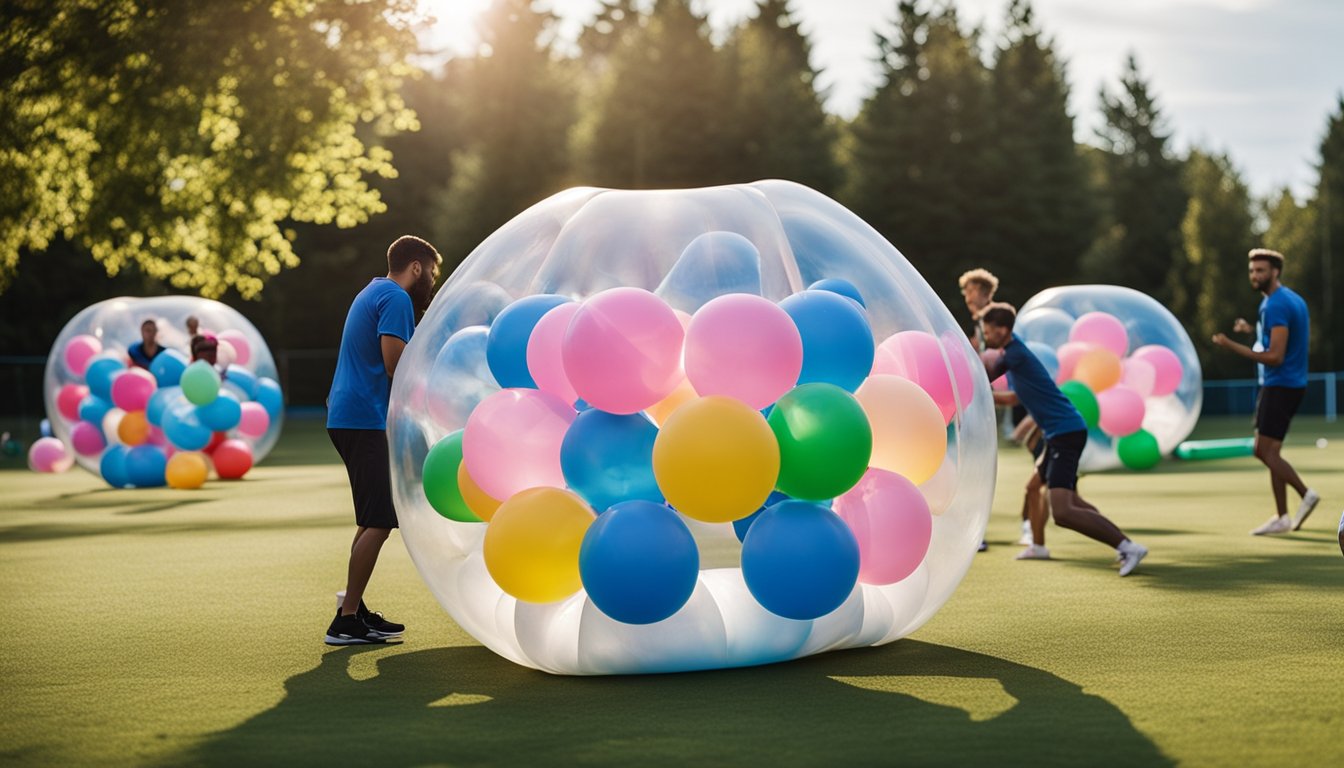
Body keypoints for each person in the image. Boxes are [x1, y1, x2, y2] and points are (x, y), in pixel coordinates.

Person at [324, 235, 442, 646]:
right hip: (362, 419)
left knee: (369, 517)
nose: (431, 279)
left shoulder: (374, 289)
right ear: (415, 267)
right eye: (431, 271)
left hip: (351, 416)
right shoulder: (396, 297)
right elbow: (395, 362)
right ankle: (345, 622)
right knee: (379, 520)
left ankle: (350, 609)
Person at [980, 303, 1149, 576]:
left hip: (1065, 434)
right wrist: (986, 395)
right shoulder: (1015, 356)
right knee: (1035, 488)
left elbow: (984, 375)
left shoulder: (1014, 354)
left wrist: (968, 372)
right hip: (1059, 433)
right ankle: (1038, 546)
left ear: (1002, 330)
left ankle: (1127, 546)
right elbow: (1012, 398)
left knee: (1063, 512)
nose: (987, 337)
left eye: (989, 332)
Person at [1212, 248, 1319, 535]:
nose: (1255, 275)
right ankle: (1282, 517)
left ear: (1275, 272)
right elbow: (1276, 340)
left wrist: (1230, 345)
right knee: (1273, 452)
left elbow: (1275, 357)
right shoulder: (1289, 300)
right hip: (1290, 384)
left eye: (1261, 270)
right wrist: (1251, 330)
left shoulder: (1275, 305)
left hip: (1280, 384)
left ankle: (1305, 493)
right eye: (1252, 270)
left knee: (1262, 450)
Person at [959, 268, 1041, 549]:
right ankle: (1001, 530)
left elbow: (996, 366)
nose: (968, 300)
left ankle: (1028, 528)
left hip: (1013, 401)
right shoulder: (980, 328)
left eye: (971, 295)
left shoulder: (996, 325)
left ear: (984, 293)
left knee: (1032, 467)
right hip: (991, 403)